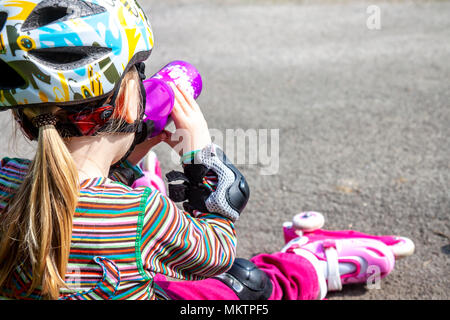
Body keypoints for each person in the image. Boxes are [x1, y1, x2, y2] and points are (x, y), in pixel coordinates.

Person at [0, 0, 413, 300]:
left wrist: (124, 160)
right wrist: (204, 161)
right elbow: (216, 252)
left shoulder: (5, 180)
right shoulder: (139, 214)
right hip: (157, 253)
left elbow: (69, 197)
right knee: (241, 284)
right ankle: (310, 266)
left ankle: (141, 179)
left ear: (23, 119)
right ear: (127, 102)